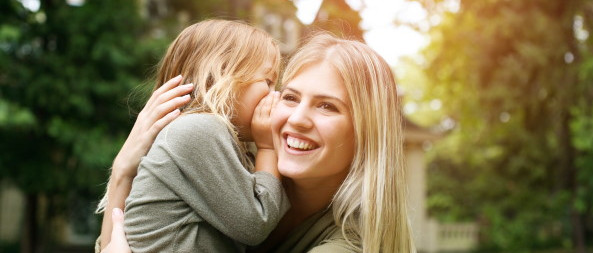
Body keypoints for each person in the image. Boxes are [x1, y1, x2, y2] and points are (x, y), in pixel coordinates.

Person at [98, 32, 415, 253]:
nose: (297, 119)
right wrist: (123, 171)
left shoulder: (349, 243)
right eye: (289, 97)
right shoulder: (243, 172)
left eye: (327, 106)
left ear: (365, 134)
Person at [95, 19, 289, 252]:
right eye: (267, 81)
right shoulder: (200, 129)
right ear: (222, 75)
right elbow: (257, 223)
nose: (274, 94)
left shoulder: (202, 135)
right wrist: (268, 148)